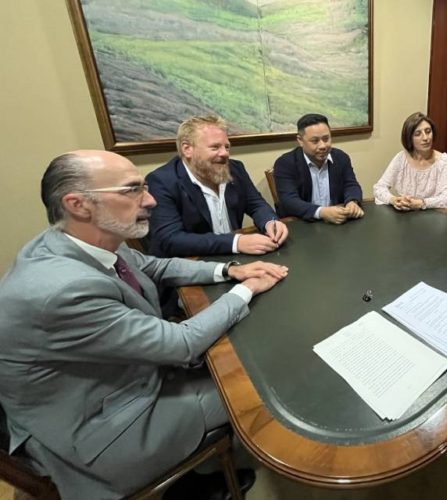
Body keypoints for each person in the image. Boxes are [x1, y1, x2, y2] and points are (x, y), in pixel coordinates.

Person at [0, 150, 289, 499]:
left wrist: (229, 270)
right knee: (256, 385)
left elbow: (154, 266)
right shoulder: (62, 290)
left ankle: (195, 466)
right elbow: (181, 344)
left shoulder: (76, 239)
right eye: (132, 190)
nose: (150, 200)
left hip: (114, 378)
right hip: (99, 427)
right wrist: (247, 289)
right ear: (78, 204)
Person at [147, 115, 288, 257]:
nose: (225, 153)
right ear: (187, 149)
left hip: (236, 257)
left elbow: (256, 204)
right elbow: (170, 240)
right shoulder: (161, 181)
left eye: (227, 147)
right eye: (215, 147)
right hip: (193, 263)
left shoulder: (235, 169)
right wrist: (236, 242)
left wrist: (270, 222)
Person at [273, 113, 364, 223]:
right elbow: (289, 201)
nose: (322, 146)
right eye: (315, 141)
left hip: (338, 223)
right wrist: (321, 212)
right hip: (302, 225)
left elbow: (351, 184)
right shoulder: (285, 163)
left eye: (326, 139)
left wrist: (352, 201)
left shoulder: (341, 157)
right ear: (300, 140)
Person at [373, 112, 447, 210]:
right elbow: (379, 188)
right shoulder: (401, 158)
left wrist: (421, 203)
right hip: (404, 215)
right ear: (409, 138)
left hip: (433, 215)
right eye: (418, 134)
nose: (425, 138)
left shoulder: (444, 161)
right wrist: (394, 200)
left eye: (428, 131)